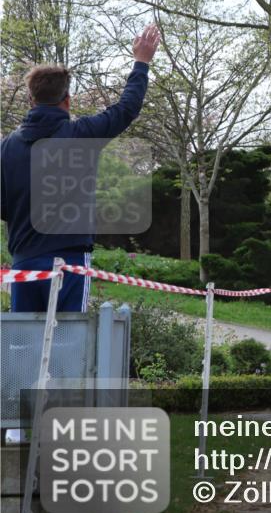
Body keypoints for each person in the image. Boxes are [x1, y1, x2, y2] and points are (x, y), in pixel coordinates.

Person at [2, 25, 161, 312]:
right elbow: (126, 108)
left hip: (24, 263)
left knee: (22, 347)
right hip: (70, 263)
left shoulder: (7, 147)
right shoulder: (82, 135)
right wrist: (141, 62)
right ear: (67, 100)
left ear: (30, 99)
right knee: (69, 345)